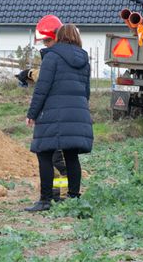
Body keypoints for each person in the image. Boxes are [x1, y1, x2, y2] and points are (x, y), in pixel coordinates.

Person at [24, 20, 93, 212]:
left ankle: (45, 200)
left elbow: (42, 88)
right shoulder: (84, 59)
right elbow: (86, 91)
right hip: (78, 111)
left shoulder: (52, 57)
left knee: (44, 153)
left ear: (59, 36)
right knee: (71, 155)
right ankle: (73, 197)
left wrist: (32, 113)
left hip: (53, 112)